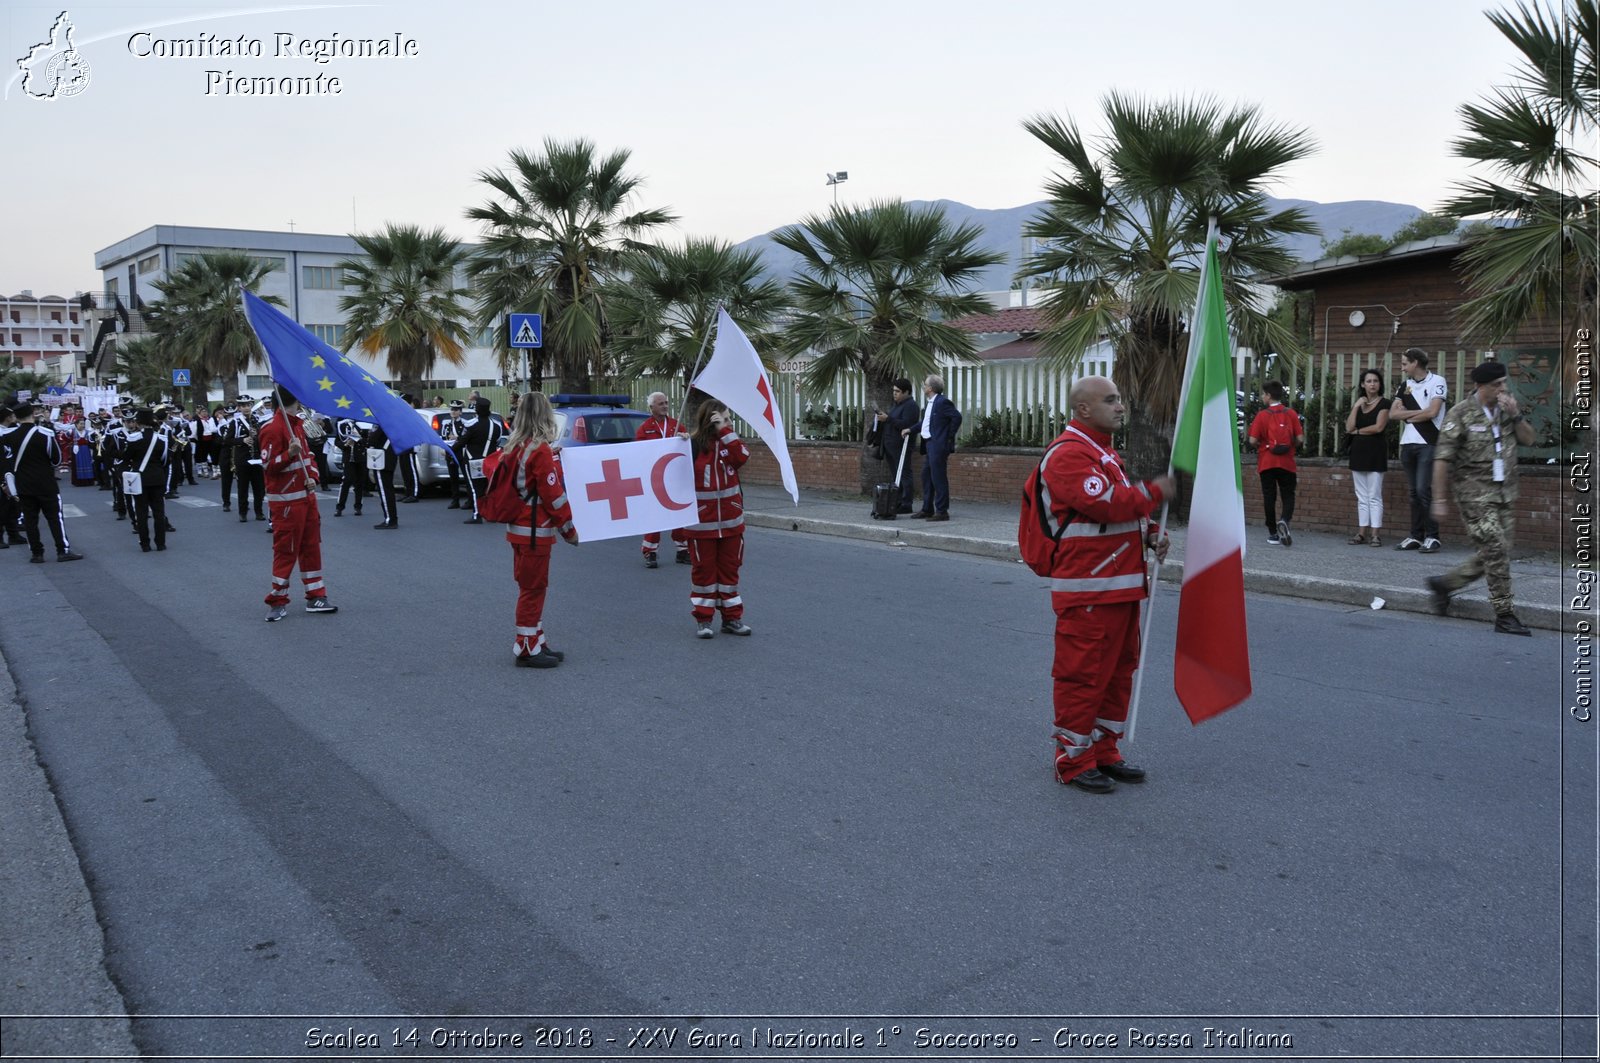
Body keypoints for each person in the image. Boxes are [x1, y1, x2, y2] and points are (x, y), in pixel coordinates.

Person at [1033, 376, 1170, 794]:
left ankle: (1104, 750)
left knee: (1117, 672)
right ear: (1083, 410)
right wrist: (1154, 491)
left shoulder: (1105, 454)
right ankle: (1071, 760)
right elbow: (1104, 503)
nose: (1120, 406)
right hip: (1089, 590)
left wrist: (1149, 532)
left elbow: (1117, 507)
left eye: (1119, 398)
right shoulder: (1068, 455)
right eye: (1110, 400)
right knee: (1083, 675)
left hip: (1121, 586)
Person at [1425, 360, 1537, 636]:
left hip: (1505, 492)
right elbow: (1442, 459)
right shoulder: (1460, 414)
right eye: (1496, 385)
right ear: (1479, 386)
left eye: (1503, 383)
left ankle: (1445, 584)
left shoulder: (1507, 410)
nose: (1502, 389)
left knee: (1496, 552)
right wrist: (1439, 500)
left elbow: (1529, 440)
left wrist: (1517, 416)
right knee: (1496, 550)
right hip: (1474, 494)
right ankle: (1504, 614)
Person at [500, 393, 579, 667]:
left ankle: (536, 639)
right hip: (536, 531)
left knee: (531, 586)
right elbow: (554, 497)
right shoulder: (540, 449)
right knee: (533, 589)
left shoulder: (515, 445)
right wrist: (569, 530)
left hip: (518, 528)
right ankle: (525, 647)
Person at [259, 387, 335, 622]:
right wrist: (288, 454)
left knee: (311, 546)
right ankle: (277, 600)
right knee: (286, 550)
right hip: (287, 503)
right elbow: (268, 466)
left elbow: (308, 457)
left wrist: (313, 477)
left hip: (306, 498)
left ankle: (315, 596)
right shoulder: (272, 428)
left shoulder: (297, 426)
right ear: (291, 401)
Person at [683, 400, 753, 639]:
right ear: (709, 420)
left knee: (730, 573)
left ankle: (732, 618)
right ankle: (703, 620)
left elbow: (742, 457)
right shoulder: (691, 446)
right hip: (701, 525)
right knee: (703, 573)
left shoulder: (730, 443)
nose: (729, 422)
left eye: (729, 419)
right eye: (724, 419)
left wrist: (725, 431)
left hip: (731, 524)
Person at [8, 403, 83, 562]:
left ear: (16, 417)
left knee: (30, 520)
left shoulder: (9, 436)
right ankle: (62, 550)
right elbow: (57, 460)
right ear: (32, 414)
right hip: (45, 483)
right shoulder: (46, 434)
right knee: (55, 518)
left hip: (23, 484)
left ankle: (37, 553)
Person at [1390, 347, 1448, 553]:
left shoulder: (1438, 381)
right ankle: (1416, 535)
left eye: (1405, 363)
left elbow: (1433, 412)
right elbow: (1393, 414)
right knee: (1413, 492)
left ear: (1415, 363)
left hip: (1429, 443)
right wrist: (1417, 414)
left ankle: (1433, 536)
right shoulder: (1405, 386)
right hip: (1408, 443)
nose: (1402, 367)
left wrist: (1408, 414)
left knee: (1424, 490)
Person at [635, 391, 688, 568]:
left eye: (666, 402)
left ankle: (682, 550)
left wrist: (685, 439)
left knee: (680, 515)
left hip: (675, 479)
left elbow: (687, 448)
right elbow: (640, 452)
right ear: (651, 408)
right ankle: (650, 552)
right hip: (655, 480)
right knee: (654, 517)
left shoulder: (677, 425)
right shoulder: (644, 428)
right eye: (661, 404)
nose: (665, 406)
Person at [1246, 381, 1303, 546]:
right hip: (1287, 462)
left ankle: (1272, 533)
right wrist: (1290, 446)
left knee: (1269, 497)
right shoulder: (1291, 413)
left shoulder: (1262, 415)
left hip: (1267, 462)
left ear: (1269, 396)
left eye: (1263, 394)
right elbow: (1300, 439)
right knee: (1288, 494)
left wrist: (1262, 446)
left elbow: (1252, 439)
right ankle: (1284, 520)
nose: (1262, 397)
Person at [1344, 368, 1391, 546]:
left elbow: (1378, 427)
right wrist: (1357, 406)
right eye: (1369, 381)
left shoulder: (1385, 403)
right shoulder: (1359, 404)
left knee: (1374, 495)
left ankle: (1375, 534)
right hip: (1358, 452)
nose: (1372, 384)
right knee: (1361, 496)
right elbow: (1349, 427)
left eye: (1376, 381)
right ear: (1363, 384)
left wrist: (1357, 432)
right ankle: (1361, 532)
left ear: (1380, 384)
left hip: (1375, 453)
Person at [911, 374, 961, 521]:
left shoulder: (942, 402)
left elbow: (957, 417)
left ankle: (942, 511)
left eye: (925, 384)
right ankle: (927, 509)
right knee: (926, 476)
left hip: (937, 445)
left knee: (938, 478)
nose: (924, 386)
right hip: (929, 444)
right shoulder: (931, 403)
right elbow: (926, 423)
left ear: (931, 388)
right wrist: (910, 429)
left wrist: (947, 436)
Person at [122, 408, 171, 552]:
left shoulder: (133, 438)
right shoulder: (162, 438)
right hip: (157, 478)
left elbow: (126, 458)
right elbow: (165, 460)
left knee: (141, 512)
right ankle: (160, 543)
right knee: (159, 512)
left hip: (139, 479)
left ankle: (145, 544)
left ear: (138, 422)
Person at [876, 377, 921, 514]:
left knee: (904, 474)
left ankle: (907, 503)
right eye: (894, 391)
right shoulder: (897, 405)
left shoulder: (911, 406)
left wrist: (888, 419)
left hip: (901, 445)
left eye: (898, 391)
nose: (895, 394)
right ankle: (898, 500)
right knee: (896, 475)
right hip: (891, 444)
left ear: (906, 392)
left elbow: (906, 425)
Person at [458, 396, 506, 524]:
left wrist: (450, 450)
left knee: (474, 488)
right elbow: (497, 442)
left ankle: (477, 514)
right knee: (488, 488)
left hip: (472, 459)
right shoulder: (496, 426)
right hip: (490, 461)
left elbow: (462, 442)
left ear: (477, 409)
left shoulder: (470, 424)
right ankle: (492, 513)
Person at [366, 422, 399, 529]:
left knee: (384, 491)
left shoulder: (383, 424)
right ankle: (392, 518)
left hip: (382, 460)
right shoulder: (395, 425)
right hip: (390, 458)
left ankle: (390, 519)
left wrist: (371, 433)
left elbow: (372, 440)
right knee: (388, 490)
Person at [333, 418, 369, 517]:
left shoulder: (363, 424)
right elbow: (337, 441)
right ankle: (339, 507)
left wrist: (360, 440)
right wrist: (345, 444)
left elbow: (368, 440)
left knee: (360, 483)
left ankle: (358, 507)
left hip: (360, 457)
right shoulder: (343, 424)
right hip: (348, 457)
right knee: (346, 481)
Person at [438, 399, 468, 508]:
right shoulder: (446, 423)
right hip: (450, 451)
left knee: (466, 475)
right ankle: (455, 500)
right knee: (453, 477)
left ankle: (469, 500)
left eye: (456, 410)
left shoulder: (465, 423)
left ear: (460, 411)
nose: (453, 412)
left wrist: (457, 437)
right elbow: (443, 437)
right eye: (452, 409)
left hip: (461, 452)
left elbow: (467, 438)